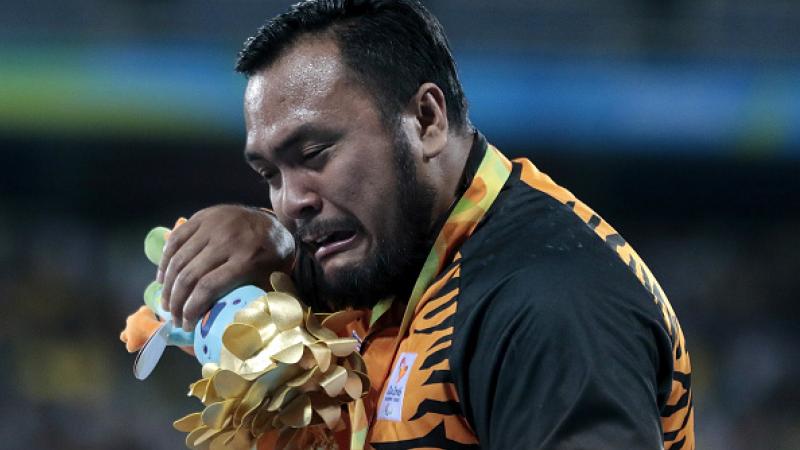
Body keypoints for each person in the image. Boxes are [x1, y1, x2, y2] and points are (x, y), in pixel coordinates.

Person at [156, 1, 694, 448]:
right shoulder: (398, 244)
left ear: (427, 121)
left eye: (315, 153)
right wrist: (266, 233)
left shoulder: (550, 306)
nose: (291, 201)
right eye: (270, 173)